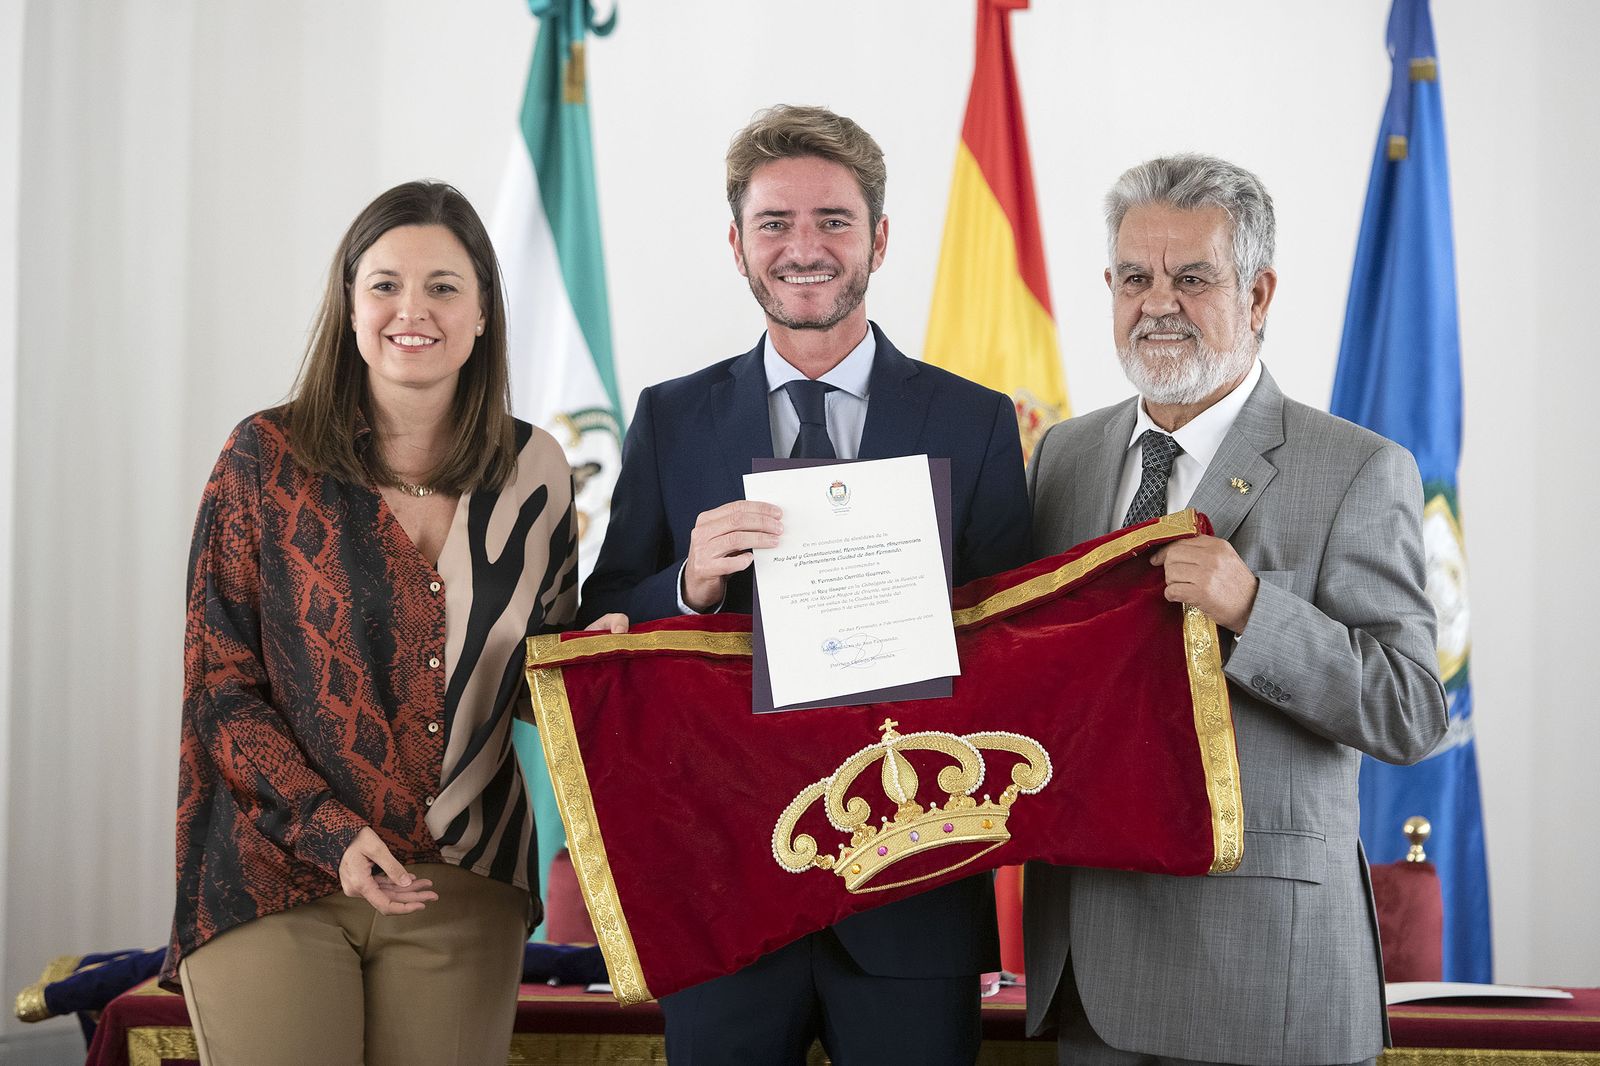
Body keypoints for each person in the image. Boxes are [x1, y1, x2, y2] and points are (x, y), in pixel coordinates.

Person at [579, 105, 1031, 1066]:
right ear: (737, 245)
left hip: (912, 885)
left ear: (879, 239)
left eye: (833, 220)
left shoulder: (977, 420)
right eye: (775, 223)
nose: (804, 249)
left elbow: (1013, 643)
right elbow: (602, 618)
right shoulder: (670, 417)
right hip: (723, 886)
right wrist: (690, 586)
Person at [160, 180, 624, 1066]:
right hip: (276, 870)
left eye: (444, 286)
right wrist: (331, 832)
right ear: (349, 306)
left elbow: (529, 674)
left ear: (483, 312)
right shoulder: (263, 458)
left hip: (464, 876)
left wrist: (592, 666)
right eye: (385, 285)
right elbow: (220, 685)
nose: (413, 310)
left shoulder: (536, 468)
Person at [1022, 154, 1449, 1066]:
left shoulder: (1357, 469)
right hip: (1089, 963)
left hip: (1263, 975)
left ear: (1257, 295)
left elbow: (1413, 710)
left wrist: (1256, 610)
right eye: (1134, 278)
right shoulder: (1062, 456)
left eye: (1192, 278)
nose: (1158, 304)